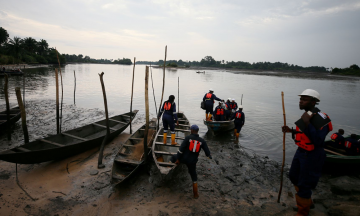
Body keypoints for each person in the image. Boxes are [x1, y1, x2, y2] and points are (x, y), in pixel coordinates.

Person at [282, 89, 332, 216]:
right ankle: (307, 201)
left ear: (314, 102)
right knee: (293, 176)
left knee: (304, 184)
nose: (301, 101)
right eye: (301, 99)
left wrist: (307, 122)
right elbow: (304, 133)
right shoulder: (307, 114)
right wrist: (291, 131)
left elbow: (317, 140)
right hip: (301, 151)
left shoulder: (322, 118)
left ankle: (303, 211)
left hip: (312, 155)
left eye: (304, 99)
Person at [170, 125, 212, 199]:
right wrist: (209, 156)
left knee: (173, 157)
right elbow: (207, 152)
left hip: (183, 159)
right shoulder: (202, 141)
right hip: (192, 162)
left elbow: (180, 150)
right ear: (198, 131)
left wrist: (178, 159)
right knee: (194, 177)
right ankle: (195, 194)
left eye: (190, 130)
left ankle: (168, 170)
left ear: (192, 130)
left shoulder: (188, 138)